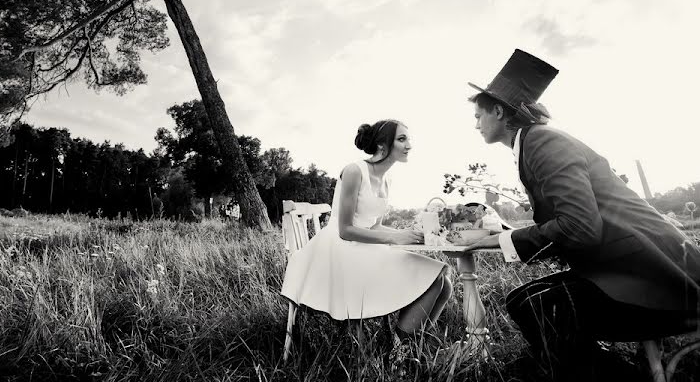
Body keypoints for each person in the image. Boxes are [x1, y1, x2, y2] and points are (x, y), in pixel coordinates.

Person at [463, 49, 700, 380]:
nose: (475, 123)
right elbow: (570, 221)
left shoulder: (542, 142)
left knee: (537, 305)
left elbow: (580, 227)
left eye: (478, 115)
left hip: (661, 278)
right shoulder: (533, 143)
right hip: (629, 266)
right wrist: (499, 232)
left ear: (499, 111)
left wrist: (503, 239)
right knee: (522, 300)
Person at [280, 119, 452, 332]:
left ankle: (416, 344)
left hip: (363, 246)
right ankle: (400, 350)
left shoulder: (387, 179)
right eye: (401, 139)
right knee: (435, 279)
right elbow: (345, 230)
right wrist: (394, 239)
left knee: (445, 284)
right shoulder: (354, 170)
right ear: (382, 145)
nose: (409, 145)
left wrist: (409, 234)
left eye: (408, 139)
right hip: (338, 248)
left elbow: (375, 227)